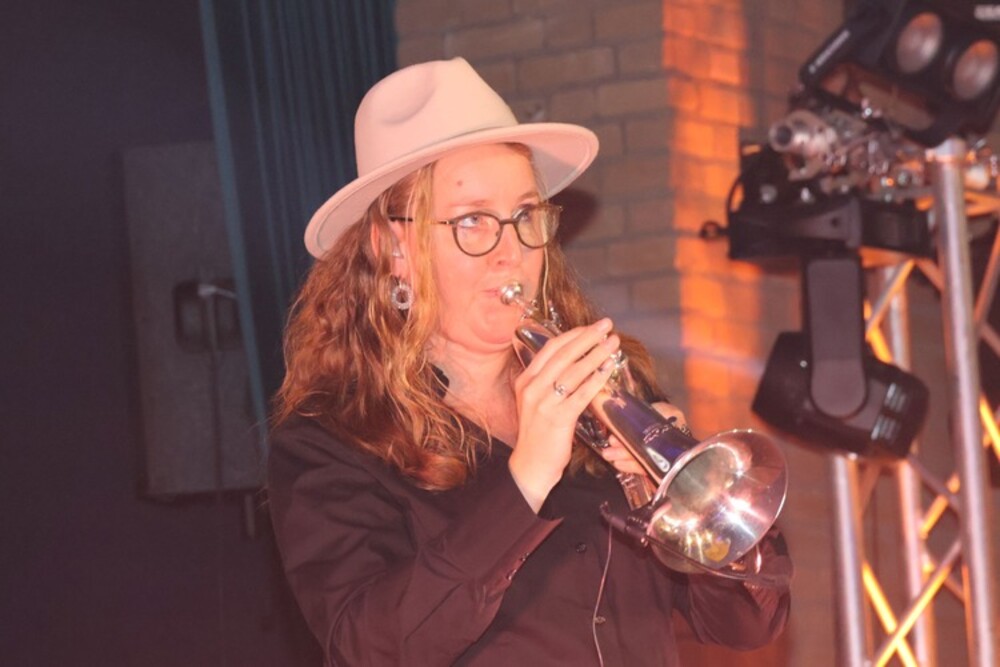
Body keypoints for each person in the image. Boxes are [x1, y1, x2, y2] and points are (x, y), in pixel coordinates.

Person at [268, 57, 791, 666]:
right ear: (394, 249)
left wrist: (676, 502)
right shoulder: (329, 444)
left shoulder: (609, 390)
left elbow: (750, 624)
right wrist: (526, 480)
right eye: (472, 222)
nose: (511, 252)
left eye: (524, 216)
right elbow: (369, 647)